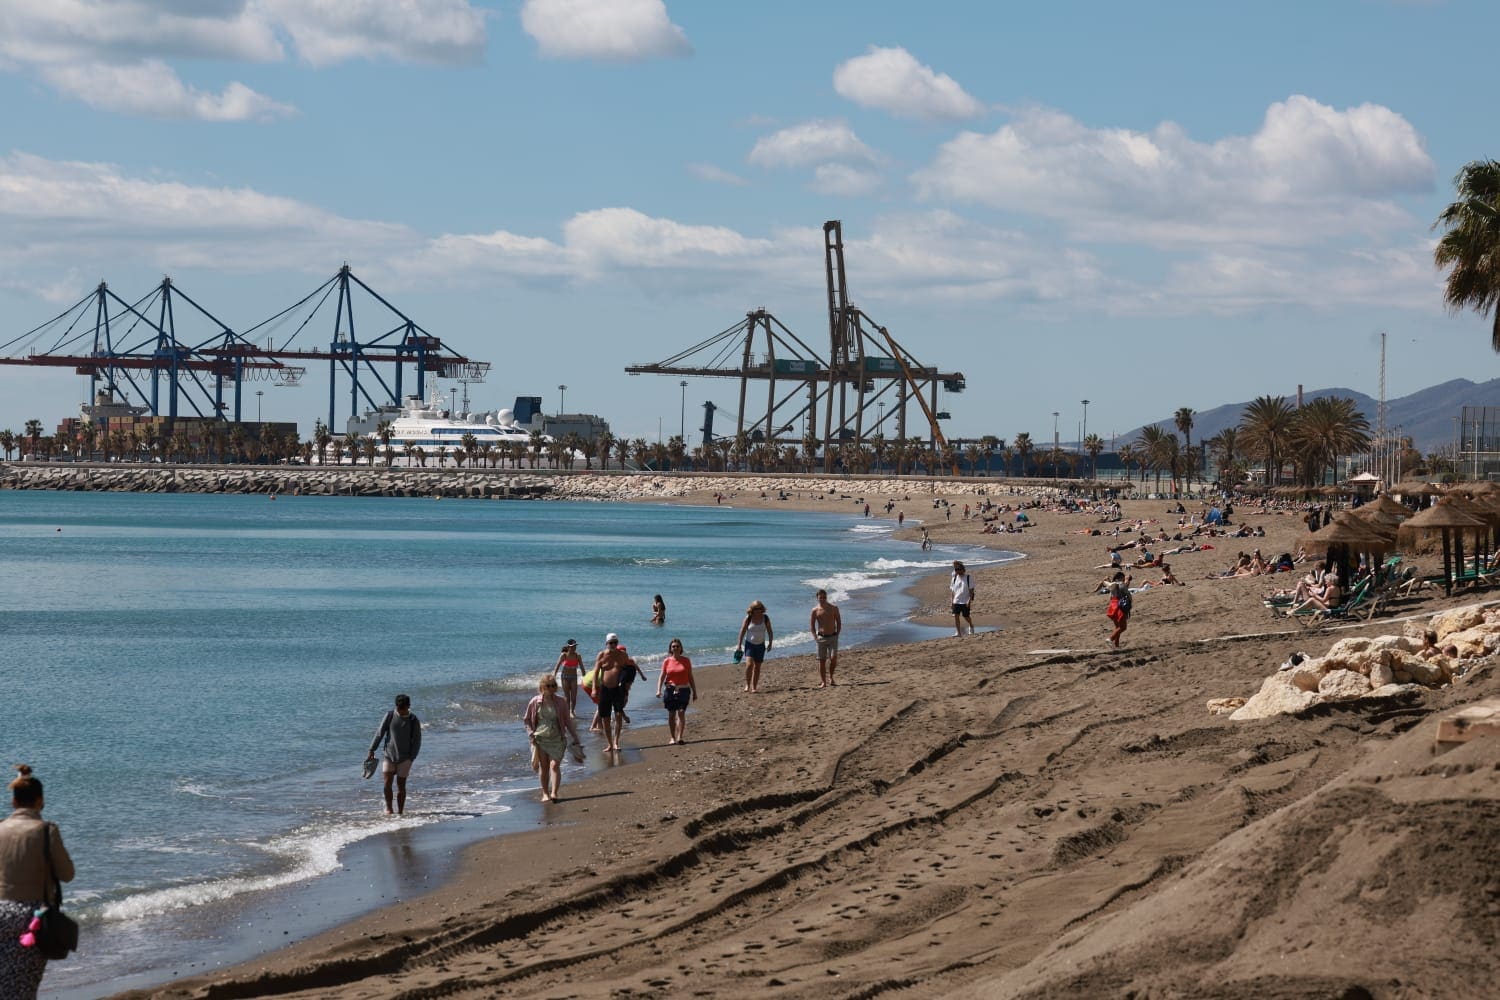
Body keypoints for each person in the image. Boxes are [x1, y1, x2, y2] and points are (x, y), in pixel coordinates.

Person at [1, 764, 75, 1000]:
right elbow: (67, 874)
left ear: (14, 803)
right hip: (31, 919)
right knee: (22, 989)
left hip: (0, 911)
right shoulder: (46, 831)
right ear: (40, 801)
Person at [524, 674, 582, 802]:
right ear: (542, 687)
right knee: (544, 767)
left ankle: (554, 792)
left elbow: (567, 721)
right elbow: (527, 720)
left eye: (554, 685)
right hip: (541, 738)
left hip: (558, 738)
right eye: (549, 686)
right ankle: (545, 793)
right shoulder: (535, 701)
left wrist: (575, 737)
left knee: (555, 765)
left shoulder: (561, 701)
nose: (552, 688)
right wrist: (531, 733)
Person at [366, 694, 421, 815]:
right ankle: (389, 809)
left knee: (401, 785)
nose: (400, 711)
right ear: (396, 706)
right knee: (387, 783)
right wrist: (371, 749)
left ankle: (400, 812)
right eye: (398, 708)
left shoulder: (413, 720)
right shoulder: (390, 715)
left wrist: (412, 758)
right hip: (389, 756)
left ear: (408, 706)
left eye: (403, 708)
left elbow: (417, 741)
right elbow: (379, 733)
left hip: (406, 758)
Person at [594, 633, 638, 753]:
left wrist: (627, 685)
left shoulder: (622, 655)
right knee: (605, 718)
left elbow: (629, 668)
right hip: (605, 689)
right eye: (611, 643)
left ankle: (616, 742)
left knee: (618, 715)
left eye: (615, 642)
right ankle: (609, 743)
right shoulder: (602, 655)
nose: (613, 645)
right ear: (606, 644)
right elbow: (595, 672)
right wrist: (594, 688)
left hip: (618, 689)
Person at [655, 638, 697, 745]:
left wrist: (695, 692)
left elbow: (690, 676)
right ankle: (672, 737)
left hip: (684, 689)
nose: (675, 648)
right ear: (670, 648)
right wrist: (658, 690)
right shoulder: (667, 661)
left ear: (681, 648)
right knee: (672, 714)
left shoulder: (686, 661)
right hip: (670, 690)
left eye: (677, 646)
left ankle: (680, 737)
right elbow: (662, 676)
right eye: (673, 646)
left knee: (681, 712)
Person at [736, 600, 773, 693]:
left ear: (762, 609)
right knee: (749, 665)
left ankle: (754, 687)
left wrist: (770, 643)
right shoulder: (748, 618)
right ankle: (747, 685)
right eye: (756, 609)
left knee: (757, 667)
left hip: (760, 645)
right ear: (752, 609)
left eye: (759, 608)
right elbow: (742, 631)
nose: (758, 610)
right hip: (749, 644)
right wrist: (739, 645)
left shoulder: (765, 618)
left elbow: (770, 631)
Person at [810, 588, 843, 687]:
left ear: (826, 597)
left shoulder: (833, 608)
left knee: (833, 658)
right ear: (817, 598)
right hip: (821, 638)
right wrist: (815, 637)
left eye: (824, 597)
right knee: (822, 660)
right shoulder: (815, 610)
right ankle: (823, 682)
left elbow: (839, 621)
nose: (822, 599)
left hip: (832, 637)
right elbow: (812, 625)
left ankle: (831, 677)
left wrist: (837, 633)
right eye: (820, 597)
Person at [1101, 570, 1132, 648]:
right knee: (1123, 627)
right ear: (1121, 577)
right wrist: (1130, 603)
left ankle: (1116, 646)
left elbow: (1110, 597)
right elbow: (1128, 594)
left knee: (1117, 627)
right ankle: (1110, 639)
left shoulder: (1112, 585)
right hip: (1120, 606)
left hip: (1112, 605)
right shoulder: (1121, 584)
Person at [553, 639, 583, 712]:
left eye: (575, 646)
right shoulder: (564, 655)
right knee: (567, 697)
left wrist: (585, 676)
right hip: (565, 677)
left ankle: (572, 711)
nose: (574, 648)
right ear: (568, 647)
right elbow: (557, 665)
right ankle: (567, 712)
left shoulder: (578, 656)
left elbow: (582, 667)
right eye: (572, 646)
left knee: (574, 697)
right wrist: (553, 676)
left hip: (574, 677)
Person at [950, 561, 975, 636]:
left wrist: (969, 601)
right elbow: (952, 591)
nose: (957, 571)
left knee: (966, 616)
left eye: (959, 569)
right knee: (956, 616)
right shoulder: (954, 579)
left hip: (965, 601)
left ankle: (971, 625)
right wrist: (952, 601)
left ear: (963, 569)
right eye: (956, 569)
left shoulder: (968, 577)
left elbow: (971, 590)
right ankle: (958, 632)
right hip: (956, 600)